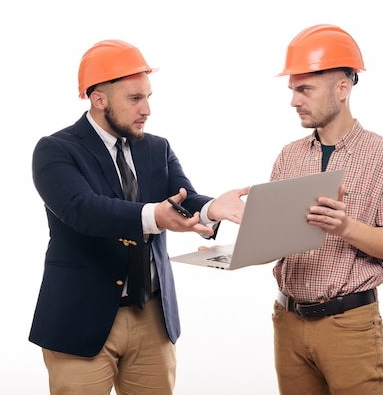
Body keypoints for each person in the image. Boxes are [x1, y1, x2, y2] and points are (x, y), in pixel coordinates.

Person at [28, 39, 248, 395]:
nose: (146, 109)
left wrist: (210, 208)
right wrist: (155, 216)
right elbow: (83, 210)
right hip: (81, 318)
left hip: (151, 317)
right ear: (98, 99)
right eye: (134, 99)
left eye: (148, 97)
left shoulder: (156, 147)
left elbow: (183, 198)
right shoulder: (56, 150)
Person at [270, 24, 383, 395]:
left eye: (304, 89)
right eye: (292, 90)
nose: (294, 101)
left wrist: (346, 227)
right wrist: (237, 246)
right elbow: (274, 241)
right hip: (287, 323)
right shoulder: (289, 156)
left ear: (342, 88)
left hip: (350, 327)